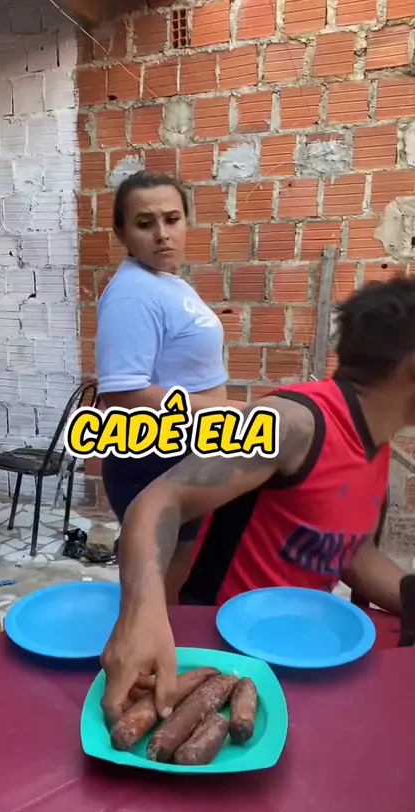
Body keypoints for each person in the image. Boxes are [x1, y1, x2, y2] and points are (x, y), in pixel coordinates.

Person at [100, 275, 415, 724]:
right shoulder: (291, 423)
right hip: (222, 653)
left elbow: (350, 551)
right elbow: (158, 502)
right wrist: (140, 613)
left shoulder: (377, 440)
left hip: (300, 651)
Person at [96, 170, 246, 603]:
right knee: (156, 592)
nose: (162, 234)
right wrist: (233, 412)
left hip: (186, 454)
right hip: (154, 460)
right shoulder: (132, 295)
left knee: (174, 582)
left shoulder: (164, 282)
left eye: (172, 219)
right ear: (121, 233)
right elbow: (122, 396)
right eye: (145, 223)